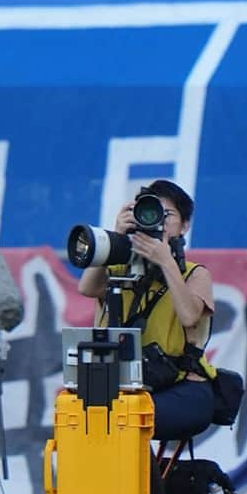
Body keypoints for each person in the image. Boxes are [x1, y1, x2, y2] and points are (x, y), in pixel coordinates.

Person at [78, 180, 218, 443]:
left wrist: (166, 261)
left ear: (185, 225)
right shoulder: (121, 268)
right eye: (152, 214)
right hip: (122, 384)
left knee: (129, 419)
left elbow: (189, 315)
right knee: (77, 415)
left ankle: (144, 485)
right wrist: (115, 237)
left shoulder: (195, 274)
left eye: (169, 216)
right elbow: (87, 288)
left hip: (183, 386)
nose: (160, 222)